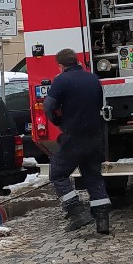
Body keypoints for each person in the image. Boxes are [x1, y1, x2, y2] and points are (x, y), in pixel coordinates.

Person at [43, 47, 111, 234]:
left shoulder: (61, 80)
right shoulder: (93, 79)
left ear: (61, 65)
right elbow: (99, 103)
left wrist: (56, 120)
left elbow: (48, 106)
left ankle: (76, 212)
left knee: (57, 173)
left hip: (73, 136)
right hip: (94, 136)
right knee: (93, 177)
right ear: (77, 61)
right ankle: (102, 222)